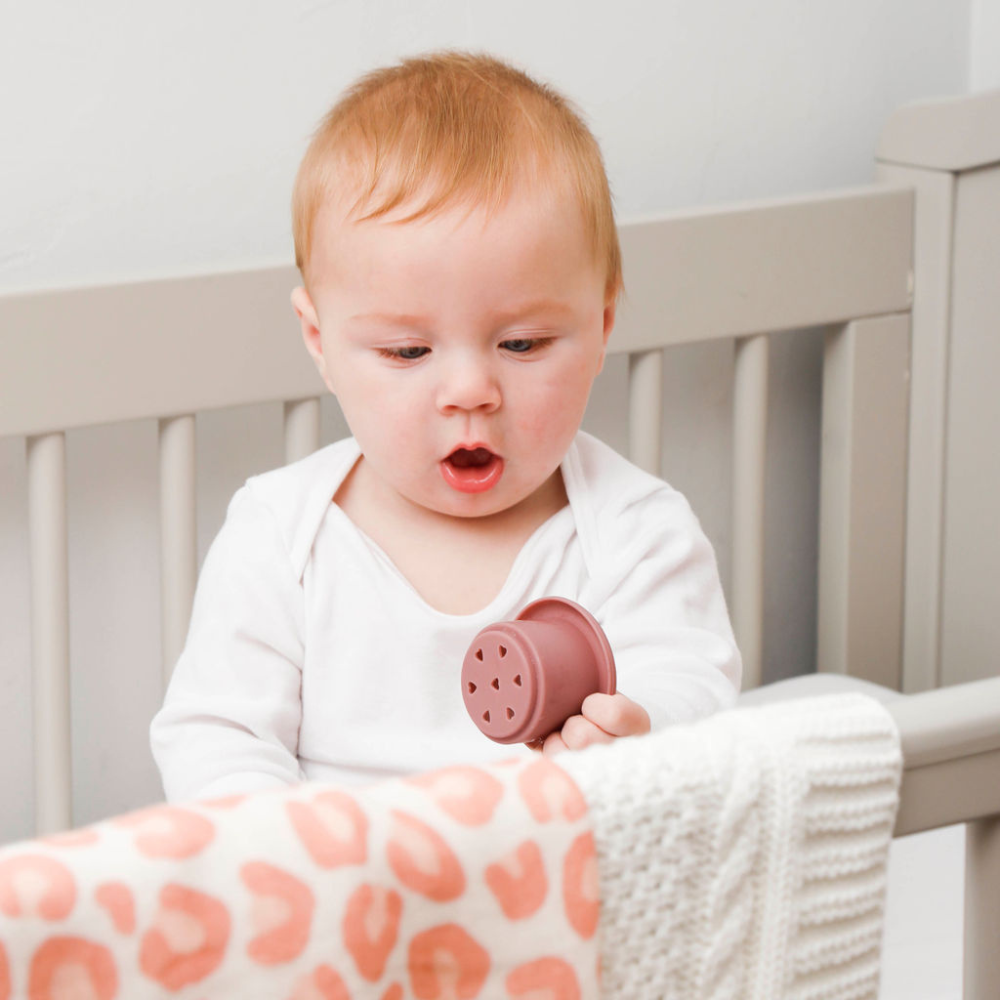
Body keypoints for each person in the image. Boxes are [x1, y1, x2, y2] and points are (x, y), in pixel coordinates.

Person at [150, 51, 741, 802]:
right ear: (319, 340)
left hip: (561, 883)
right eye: (408, 351)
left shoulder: (635, 534)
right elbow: (217, 739)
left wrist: (641, 729)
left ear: (601, 324)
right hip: (348, 893)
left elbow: (696, 691)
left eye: (521, 344)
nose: (470, 390)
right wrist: (291, 855)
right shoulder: (280, 539)